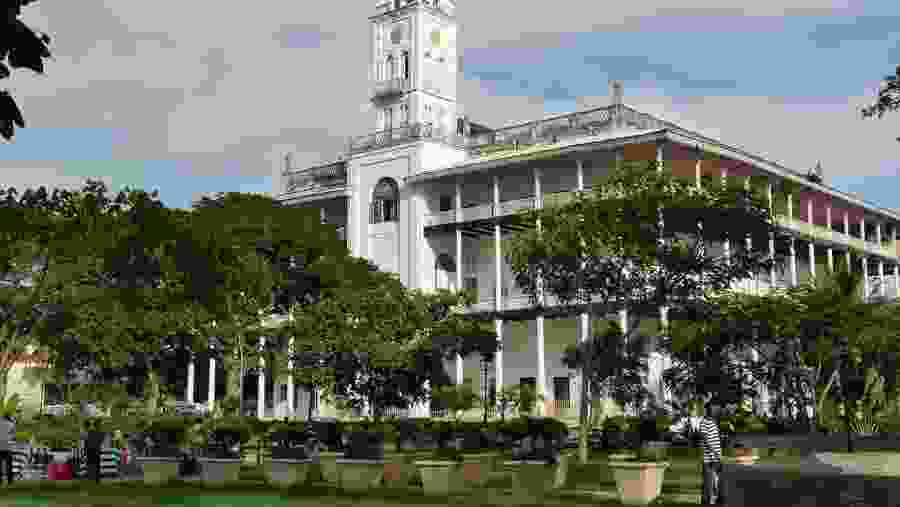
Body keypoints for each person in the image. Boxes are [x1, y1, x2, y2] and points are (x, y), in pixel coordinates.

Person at [671, 398, 724, 505]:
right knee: (710, 480)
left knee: (715, 480)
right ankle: (708, 500)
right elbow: (705, 438)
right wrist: (715, 454)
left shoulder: (711, 422)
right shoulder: (705, 422)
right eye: (712, 409)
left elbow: (711, 439)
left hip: (714, 456)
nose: (715, 410)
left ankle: (713, 499)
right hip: (710, 457)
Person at [0, 414, 15, 486]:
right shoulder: (11, 424)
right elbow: (13, 435)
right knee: (9, 464)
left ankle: (0, 480)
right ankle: (10, 480)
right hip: (8, 446)